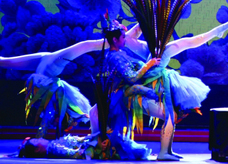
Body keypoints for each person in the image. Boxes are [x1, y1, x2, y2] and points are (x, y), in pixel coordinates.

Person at [106, 19, 228, 161]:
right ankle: (164, 152)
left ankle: (167, 151)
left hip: (146, 83)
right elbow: (132, 77)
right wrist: (149, 65)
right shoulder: (118, 56)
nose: (125, 39)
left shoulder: (127, 50)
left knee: (171, 115)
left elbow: (132, 37)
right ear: (115, 39)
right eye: (122, 37)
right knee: (170, 115)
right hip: (139, 91)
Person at [0, 24, 142, 138]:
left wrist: (130, 30)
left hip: (46, 65)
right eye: (121, 37)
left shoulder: (51, 80)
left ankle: (46, 135)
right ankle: (44, 136)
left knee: (6, 62)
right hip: (46, 70)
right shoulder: (51, 88)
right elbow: (106, 43)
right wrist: (134, 29)